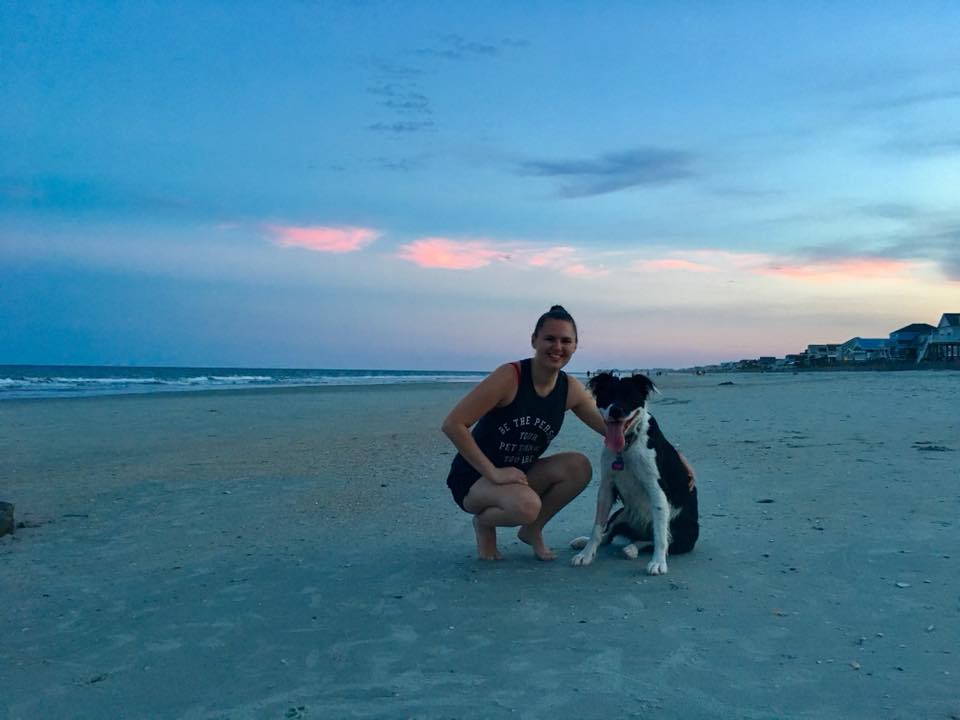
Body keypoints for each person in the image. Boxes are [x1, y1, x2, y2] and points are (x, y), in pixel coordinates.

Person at [441, 305, 609, 561]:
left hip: (519, 475)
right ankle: (485, 523)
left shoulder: (569, 389)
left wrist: (671, 455)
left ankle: (533, 529)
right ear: (534, 340)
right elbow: (453, 424)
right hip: (474, 477)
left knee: (579, 466)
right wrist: (494, 473)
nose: (557, 347)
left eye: (566, 341)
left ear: (575, 346)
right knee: (527, 505)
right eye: (549, 339)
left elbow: (611, 428)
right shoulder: (511, 376)